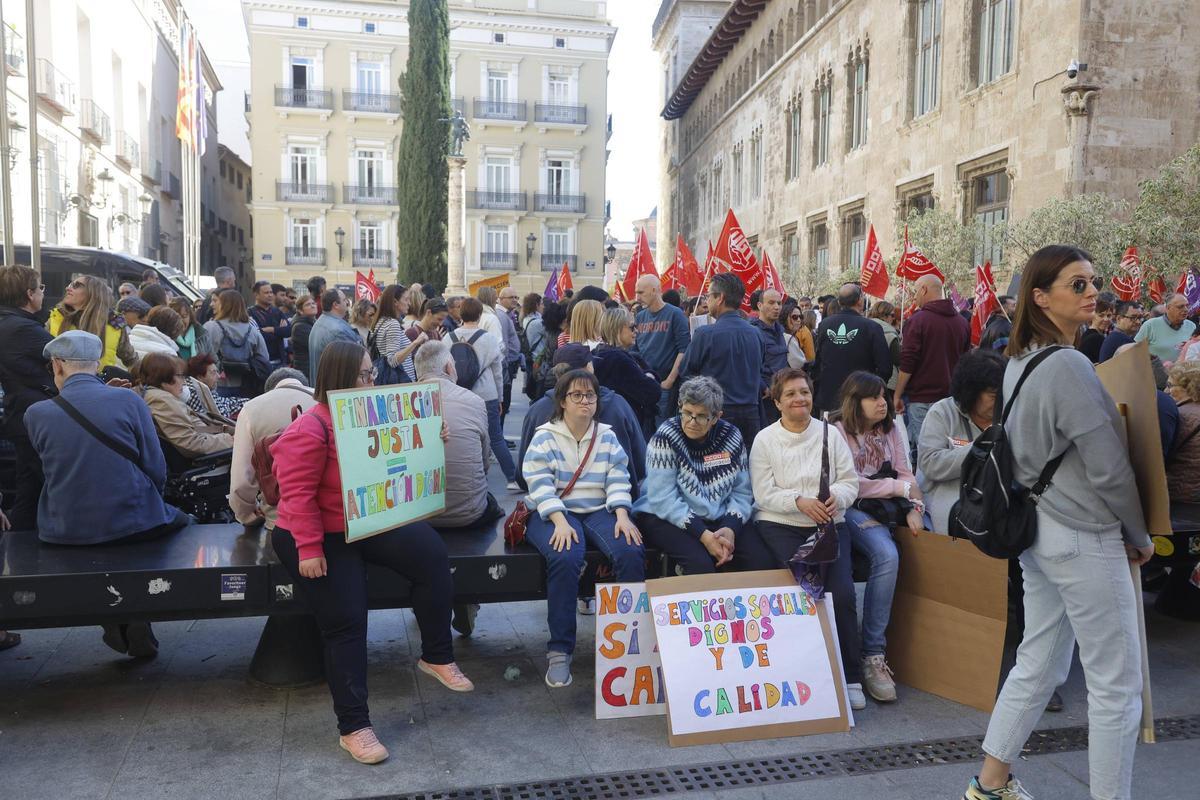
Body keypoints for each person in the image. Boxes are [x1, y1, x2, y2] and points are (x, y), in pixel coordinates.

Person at [963, 245, 1153, 800]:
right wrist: (1138, 534)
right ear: (1040, 297)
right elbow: (1109, 466)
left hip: (1040, 532)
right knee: (1116, 687)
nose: (1093, 292)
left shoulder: (1023, 360)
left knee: (1039, 664)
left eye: (1093, 282)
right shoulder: (1068, 364)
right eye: (1078, 284)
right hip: (1082, 533)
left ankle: (990, 784)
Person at [271, 340, 473, 764]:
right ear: (341, 378)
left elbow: (396, 461)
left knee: (432, 555)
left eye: (372, 373)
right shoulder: (311, 428)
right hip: (316, 534)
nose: (372, 380)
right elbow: (297, 496)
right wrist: (309, 550)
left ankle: (436, 655)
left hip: (365, 520)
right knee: (346, 621)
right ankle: (354, 726)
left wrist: (428, 441)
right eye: (365, 374)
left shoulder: (372, 417)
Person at [25, 330, 190, 657]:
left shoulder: (36, 413)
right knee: (179, 522)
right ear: (97, 364)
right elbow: (156, 468)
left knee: (101, 542)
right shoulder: (129, 400)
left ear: (57, 366)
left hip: (65, 528)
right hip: (133, 520)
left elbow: (47, 470)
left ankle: (115, 619)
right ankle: (135, 614)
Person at [749, 368, 865, 711]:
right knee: (804, 590)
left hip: (830, 524)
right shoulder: (765, 439)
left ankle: (852, 675)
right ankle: (804, 671)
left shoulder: (831, 434)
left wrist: (837, 499)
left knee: (842, 593)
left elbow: (849, 480)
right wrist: (799, 501)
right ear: (777, 401)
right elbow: (763, 492)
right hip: (781, 524)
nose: (799, 399)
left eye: (804, 392)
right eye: (790, 394)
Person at [522, 368, 642, 687]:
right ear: (562, 401)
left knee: (630, 549)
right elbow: (538, 483)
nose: (585, 401)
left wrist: (621, 513)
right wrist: (559, 520)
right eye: (577, 395)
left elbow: (619, 477)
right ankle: (560, 649)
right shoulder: (545, 435)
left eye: (590, 395)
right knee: (565, 556)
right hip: (553, 512)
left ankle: (632, 640)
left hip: (598, 509)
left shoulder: (607, 435)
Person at [832, 371, 929, 704]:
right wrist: (900, 489)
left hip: (891, 506)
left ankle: (915, 647)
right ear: (854, 401)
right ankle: (873, 653)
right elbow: (852, 484)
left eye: (884, 397)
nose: (882, 402)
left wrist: (914, 505)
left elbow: (906, 473)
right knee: (886, 555)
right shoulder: (838, 432)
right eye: (873, 397)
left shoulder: (891, 428)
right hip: (854, 508)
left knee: (926, 539)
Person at [632, 376, 774, 574]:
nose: (692, 421)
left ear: (716, 417)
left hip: (720, 513)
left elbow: (742, 492)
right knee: (701, 566)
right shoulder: (665, 437)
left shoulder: (732, 436)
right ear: (680, 406)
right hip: (665, 513)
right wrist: (704, 535)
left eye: (701, 416)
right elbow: (662, 498)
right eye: (687, 413)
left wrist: (731, 528)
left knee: (761, 561)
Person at [518, 345, 647, 493]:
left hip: (553, 503)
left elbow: (524, 474)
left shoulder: (537, 410)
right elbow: (640, 465)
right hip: (614, 503)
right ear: (589, 367)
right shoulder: (618, 406)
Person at [916, 349, 1005, 535]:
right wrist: (980, 446)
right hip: (947, 497)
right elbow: (930, 464)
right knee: (977, 520)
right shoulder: (942, 413)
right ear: (971, 391)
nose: (1000, 402)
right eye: (994, 396)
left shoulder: (1007, 417)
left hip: (994, 496)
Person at [413, 341, 495, 530]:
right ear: (449, 367)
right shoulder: (475, 401)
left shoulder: (403, 405)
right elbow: (484, 461)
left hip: (415, 517)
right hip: (468, 514)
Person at [0, 265, 55, 529]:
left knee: (30, 488)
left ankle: (16, 543)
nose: (44, 293)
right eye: (41, 288)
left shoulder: (8, 324)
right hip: (34, 417)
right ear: (29, 294)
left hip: (20, 415)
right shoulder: (24, 330)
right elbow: (67, 359)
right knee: (49, 485)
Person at [681, 273, 764, 447]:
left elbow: (686, 372)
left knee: (716, 465)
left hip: (717, 415)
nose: (707, 300)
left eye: (709, 295)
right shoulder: (756, 333)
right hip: (751, 414)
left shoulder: (705, 334)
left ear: (720, 298)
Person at [228, 367, 316, 530]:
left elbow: (241, 482)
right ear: (304, 384)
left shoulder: (251, 409)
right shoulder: (326, 399)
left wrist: (246, 515)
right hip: (329, 517)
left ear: (269, 389)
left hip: (279, 521)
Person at [892, 275, 970, 450]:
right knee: (950, 450)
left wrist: (897, 395)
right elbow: (966, 362)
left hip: (922, 400)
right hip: (952, 399)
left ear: (924, 290)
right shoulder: (962, 322)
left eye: (915, 291)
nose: (914, 297)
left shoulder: (917, 321)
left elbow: (908, 362)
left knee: (926, 454)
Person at [448, 297, 518, 488]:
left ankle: (472, 480)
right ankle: (512, 479)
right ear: (480, 315)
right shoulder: (488, 339)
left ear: (460, 314)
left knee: (464, 437)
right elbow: (497, 371)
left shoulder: (449, 338)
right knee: (495, 437)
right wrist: (501, 398)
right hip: (486, 394)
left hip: (460, 395)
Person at [812, 283, 892, 416]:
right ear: (860, 301)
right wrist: (872, 391)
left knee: (832, 436)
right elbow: (885, 367)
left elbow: (818, 362)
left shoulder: (824, 325)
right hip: (861, 399)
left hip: (830, 397)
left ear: (839, 301)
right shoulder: (871, 327)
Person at [138, 352, 234, 458]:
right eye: (180, 376)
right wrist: (232, 439)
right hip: (205, 464)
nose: (184, 382)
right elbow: (192, 444)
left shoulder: (155, 395)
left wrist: (228, 430)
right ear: (165, 377)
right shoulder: (163, 401)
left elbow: (194, 429)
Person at [632, 275, 691, 425]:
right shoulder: (639, 317)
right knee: (644, 429)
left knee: (663, 429)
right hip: (645, 382)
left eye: (641, 293)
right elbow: (636, 349)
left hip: (664, 384)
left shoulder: (675, 314)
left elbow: (684, 350)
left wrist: (669, 380)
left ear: (654, 290)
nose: (637, 297)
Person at [593, 306, 661, 433]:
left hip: (611, 424)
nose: (636, 331)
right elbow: (652, 393)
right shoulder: (619, 359)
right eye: (631, 327)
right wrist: (649, 375)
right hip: (626, 426)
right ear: (617, 328)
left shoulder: (599, 353)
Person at [48, 275, 138, 371]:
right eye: (70, 284)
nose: (68, 288)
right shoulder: (55, 317)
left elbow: (131, 360)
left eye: (76, 285)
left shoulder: (114, 323)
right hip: (61, 384)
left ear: (93, 294)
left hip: (101, 384)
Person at [204, 289, 271, 399]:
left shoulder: (211, 327)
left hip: (218, 383)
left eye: (217, 302)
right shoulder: (252, 330)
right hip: (246, 384)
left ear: (224, 305)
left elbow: (202, 355)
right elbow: (264, 358)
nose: (212, 305)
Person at [750, 288, 788, 426]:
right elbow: (748, 364)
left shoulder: (780, 330)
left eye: (779, 303)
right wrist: (763, 387)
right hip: (764, 400)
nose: (777, 307)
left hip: (781, 395)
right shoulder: (752, 331)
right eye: (771, 303)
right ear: (760, 306)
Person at [307, 288, 361, 384]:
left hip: (323, 387)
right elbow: (354, 364)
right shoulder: (338, 331)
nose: (347, 303)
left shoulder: (320, 321)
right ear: (335, 305)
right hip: (334, 390)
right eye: (344, 300)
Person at [368, 285, 421, 383]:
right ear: (395, 302)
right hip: (401, 383)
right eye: (406, 300)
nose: (409, 303)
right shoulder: (392, 324)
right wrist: (415, 343)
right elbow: (392, 361)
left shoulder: (381, 321)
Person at [1165, 361, 1200, 503]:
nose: (1166, 391)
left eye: (1170, 386)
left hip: (1182, 494)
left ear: (1188, 387)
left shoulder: (1182, 415)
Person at [1135, 292, 1195, 363]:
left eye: (1187, 306)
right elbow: (1136, 350)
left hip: (1184, 372)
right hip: (1155, 372)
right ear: (1168, 308)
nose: (1186, 309)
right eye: (1180, 307)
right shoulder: (1150, 325)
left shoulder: (1191, 326)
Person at [186, 353, 246, 419]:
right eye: (213, 373)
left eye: (217, 372)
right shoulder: (194, 392)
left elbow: (224, 402)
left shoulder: (205, 388)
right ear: (200, 377)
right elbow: (221, 416)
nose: (219, 376)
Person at [495, 286, 523, 421]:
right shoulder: (501, 316)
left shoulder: (506, 315)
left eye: (516, 297)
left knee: (505, 404)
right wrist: (507, 366)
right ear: (500, 299)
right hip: (506, 366)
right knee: (503, 403)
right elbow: (503, 344)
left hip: (509, 365)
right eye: (511, 297)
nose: (515, 300)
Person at [249, 280, 290, 368]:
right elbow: (259, 337)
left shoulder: (277, 312)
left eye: (271, 292)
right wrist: (279, 332)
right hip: (262, 363)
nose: (270, 295)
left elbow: (288, 331)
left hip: (280, 361)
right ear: (256, 295)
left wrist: (272, 329)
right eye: (266, 293)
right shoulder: (250, 313)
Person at [866, 301, 900, 400]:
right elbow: (897, 359)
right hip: (887, 383)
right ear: (885, 315)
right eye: (892, 315)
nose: (893, 319)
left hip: (864, 379)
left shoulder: (863, 328)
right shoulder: (890, 334)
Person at [170, 296, 213, 362]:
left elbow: (214, 360)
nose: (180, 321)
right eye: (177, 317)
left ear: (190, 316)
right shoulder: (167, 337)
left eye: (184, 316)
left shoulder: (201, 334)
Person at [290, 295, 319, 377]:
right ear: (300, 311)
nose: (312, 305)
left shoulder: (313, 322)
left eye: (313, 303)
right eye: (308, 304)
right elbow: (316, 345)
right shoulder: (299, 327)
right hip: (305, 369)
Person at [1078, 296, 1114, 363]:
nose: (1106, 319)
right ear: (1092, 316)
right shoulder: (1096, 338)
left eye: (1109, 316)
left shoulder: (1088, 334)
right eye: (1101, 315)